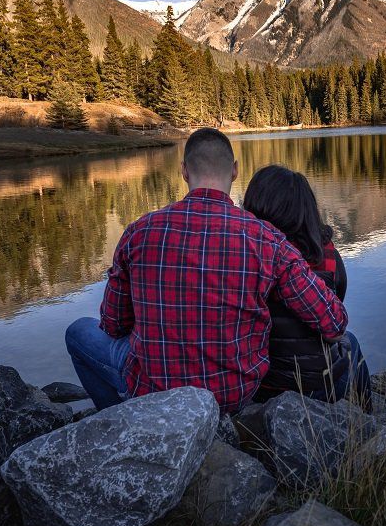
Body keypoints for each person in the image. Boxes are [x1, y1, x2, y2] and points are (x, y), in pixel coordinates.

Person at [65, 128, 348, 413]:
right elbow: (334, 323)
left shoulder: (139, 232)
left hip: (154, 393)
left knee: (78, 332)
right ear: (235, 171)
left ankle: (119, 422)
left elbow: (113, 324)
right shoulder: (268, 239)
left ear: (184, 171)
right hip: (233, 397)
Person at [242, 165, 372, 411]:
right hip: (318, 386)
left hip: (259, 385)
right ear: (306, 209)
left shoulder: (243, 258)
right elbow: (336, 310)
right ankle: (367, 419)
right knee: (351, 342)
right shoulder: (327, 256)